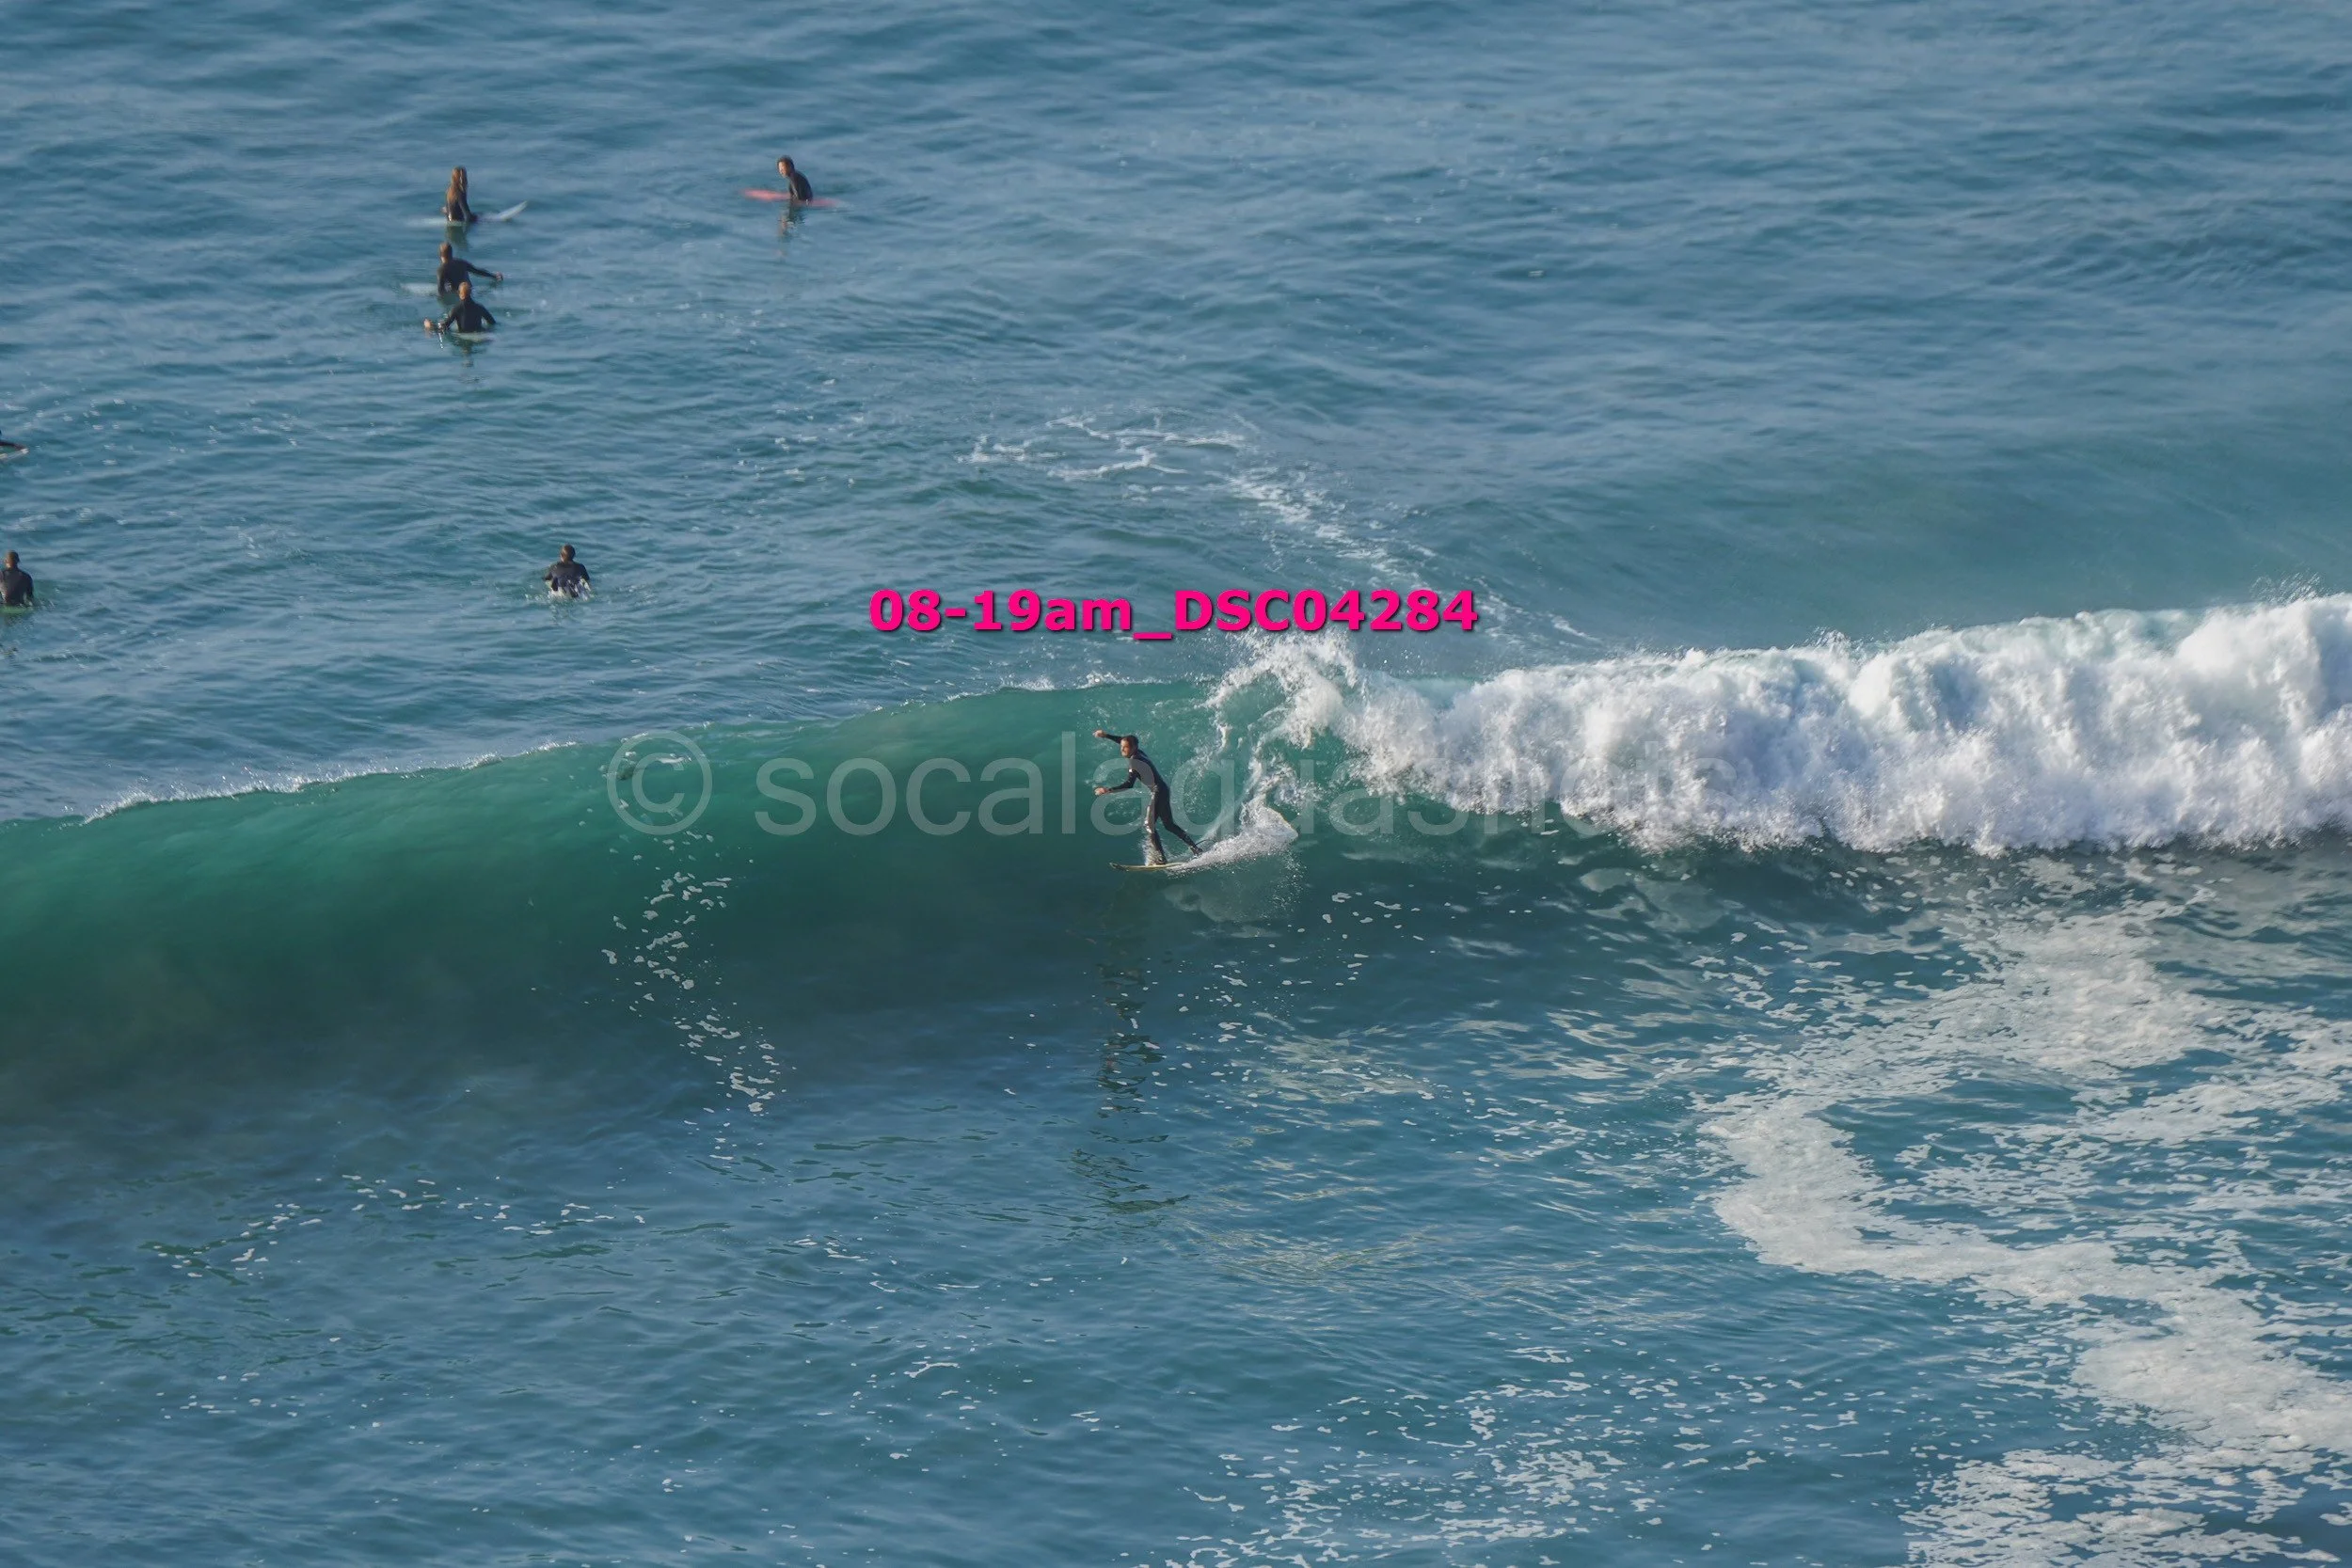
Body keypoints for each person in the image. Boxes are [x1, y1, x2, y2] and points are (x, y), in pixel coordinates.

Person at [1093, 729, 1201, 865]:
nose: (1122, 750)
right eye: (1121, 747)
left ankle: (1162, 858)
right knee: (1169, 825)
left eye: (1125, 748)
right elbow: (1122, 740)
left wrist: (1108, 790)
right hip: (1163, 790)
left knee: (1149, 825)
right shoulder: (1139, 753)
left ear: (1133, 747)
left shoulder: (1135, 762)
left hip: (1158, 791)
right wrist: (1106, 736)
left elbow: (1129, 784)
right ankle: (1195, 848)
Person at [425, 280, 495, 334]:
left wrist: (430, 327)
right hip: (478, 334)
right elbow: (492, 323)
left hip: (463, 335)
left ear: (459, 293)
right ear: (471, 293)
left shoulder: (456, 309)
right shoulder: (480, 307)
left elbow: (444, 327)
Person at [436, 242, 501, 295]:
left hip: (457, 294)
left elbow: (440, 291)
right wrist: (494, 276)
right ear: (451, 253)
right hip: (470, 291)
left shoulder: (441, 270)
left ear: (440, 254)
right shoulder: (461, 263)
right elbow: (477, 271)